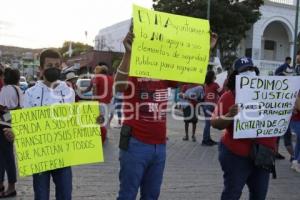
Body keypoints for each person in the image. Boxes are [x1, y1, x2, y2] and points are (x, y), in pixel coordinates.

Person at [114, 27, 218, 199]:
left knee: (152, 195)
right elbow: (119, 87)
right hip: (135, 143)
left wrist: (206, 49)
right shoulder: (133, 69)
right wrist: (128, 53)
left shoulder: (164, 72)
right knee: (127, 194)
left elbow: (192, 75)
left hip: (159, 146)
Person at [4, 49, 75, 200]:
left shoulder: (69, 92)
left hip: (63, 153)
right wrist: (14, 133)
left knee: (65, 195)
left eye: (57, 65)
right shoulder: (29, 93)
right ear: (41, 69)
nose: (54, 68)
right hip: (39, 155)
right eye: (49, 65)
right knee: (41, 195)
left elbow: (73, 120)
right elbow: (25, 123)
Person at [211, 57, 277, 200]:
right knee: (232, 194)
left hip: (263, 156)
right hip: (236, 155)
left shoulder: (268, 94)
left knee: (259, 195)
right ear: (236, 76)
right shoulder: (229, 97)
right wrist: (229, 114)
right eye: (244, 71)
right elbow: (215, 123)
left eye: (251, 69)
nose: (248, 73)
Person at [0, 68, 23, 198]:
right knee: (8, 157)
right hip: (12, 124)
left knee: (6, 158)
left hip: (3, 126)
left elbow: (2, 106)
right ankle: (10, 186)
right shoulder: (18, 89)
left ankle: (10, 187)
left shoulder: (6, 89)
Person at [201, 70, 223, 146]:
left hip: (205, 105)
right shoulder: (215, 85)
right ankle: (205, 140)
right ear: (212, 76)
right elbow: (222, 93)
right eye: (214, 75)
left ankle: (207, 139)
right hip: (212, 105)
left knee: (208, 123)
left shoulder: (205, 85)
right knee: (208, 124)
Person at [291, 93, 300, 172]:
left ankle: (295, 161)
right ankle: (297, 162)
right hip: (297, 120)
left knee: (298, 142)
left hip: (296, 120)